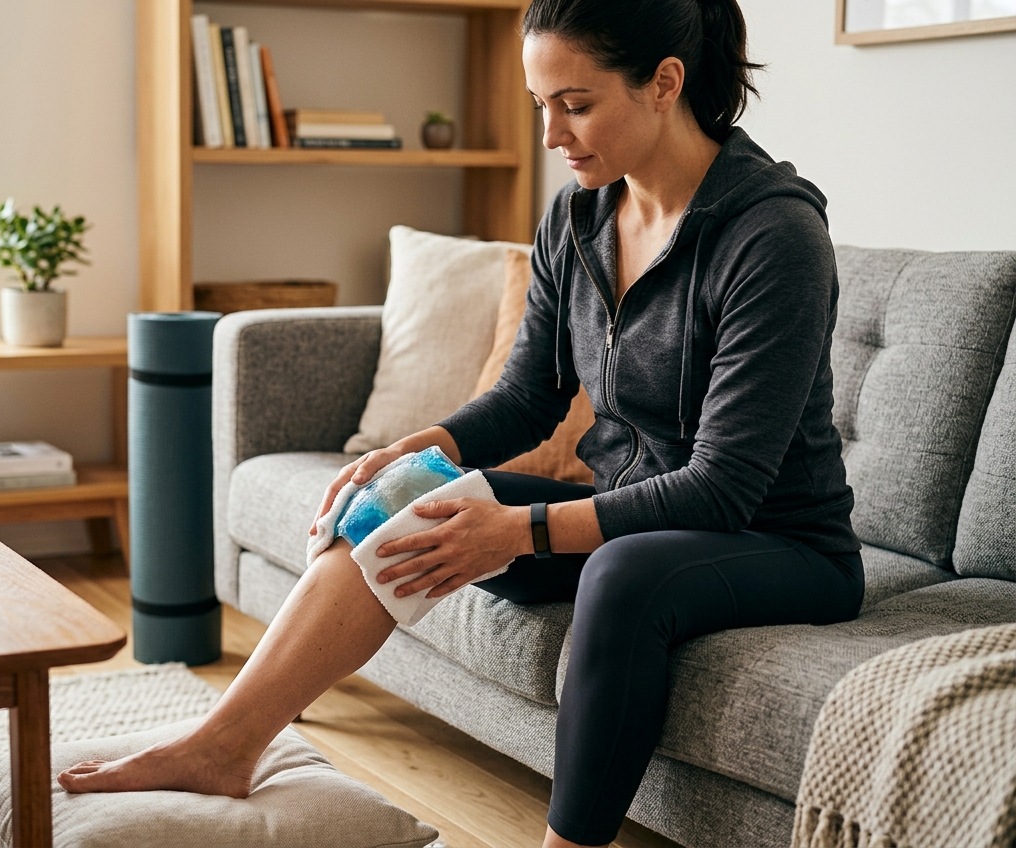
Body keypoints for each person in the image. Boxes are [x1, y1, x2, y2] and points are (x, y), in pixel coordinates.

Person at [58, 0, 865, 844]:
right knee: (402, 494)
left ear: (665, 83)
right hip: (640, 514)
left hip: (780, 542)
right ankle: (224, 744)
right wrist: (421, 450)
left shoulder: (773, 236)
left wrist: (517, 530)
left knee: (622, 575)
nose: (553, 134)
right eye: (540, 104)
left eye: (577, 104)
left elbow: (723, 487)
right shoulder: (580, 216)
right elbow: (528, 396)